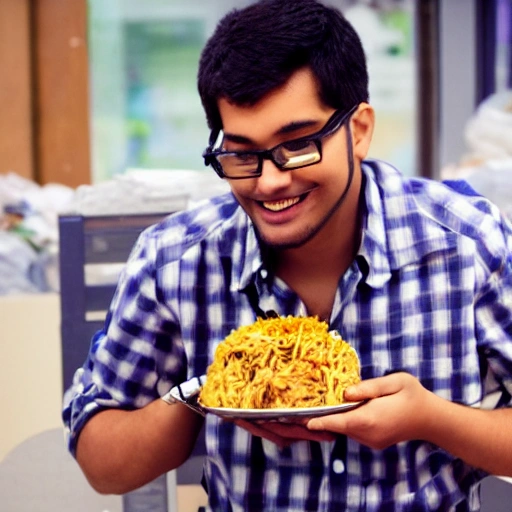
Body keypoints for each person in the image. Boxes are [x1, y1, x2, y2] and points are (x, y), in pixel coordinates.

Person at [63, 1, 512, 510]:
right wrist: (208, 393)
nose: (270, 181)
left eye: (297, 145)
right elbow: (102, 464)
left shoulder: (468, 243)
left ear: (359, 129)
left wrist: (432, 418)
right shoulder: (175, 261)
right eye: (241, 153)